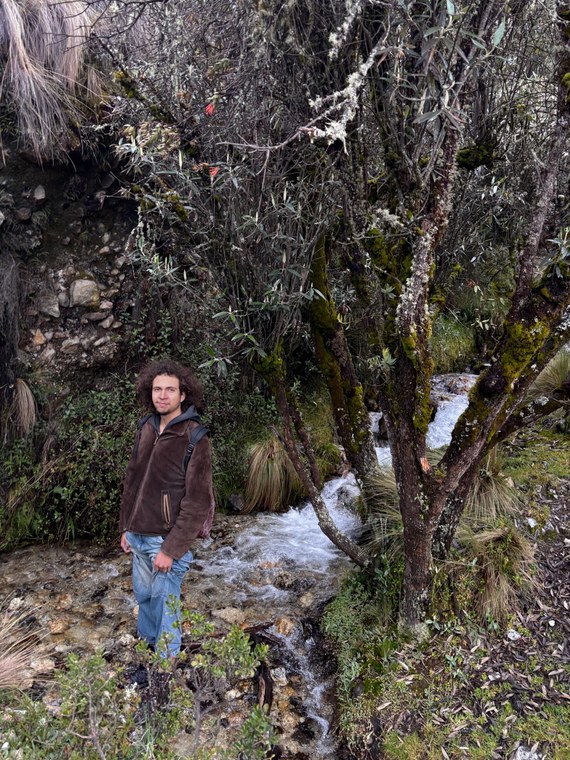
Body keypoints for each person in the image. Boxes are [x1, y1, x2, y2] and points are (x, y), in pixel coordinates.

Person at [120, 359, 214, 658]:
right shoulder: (146, 427)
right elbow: (133, 480)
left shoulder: (195, 437)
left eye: (170, 390)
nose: (162, 395)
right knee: (145, 599)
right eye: (157, 389)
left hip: (164, 540)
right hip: (138, 534)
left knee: (166, 608)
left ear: (183, 394)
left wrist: (171, 550)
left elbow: (198, 502)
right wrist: (126, 527)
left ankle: (166, 667)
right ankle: (146, 655)